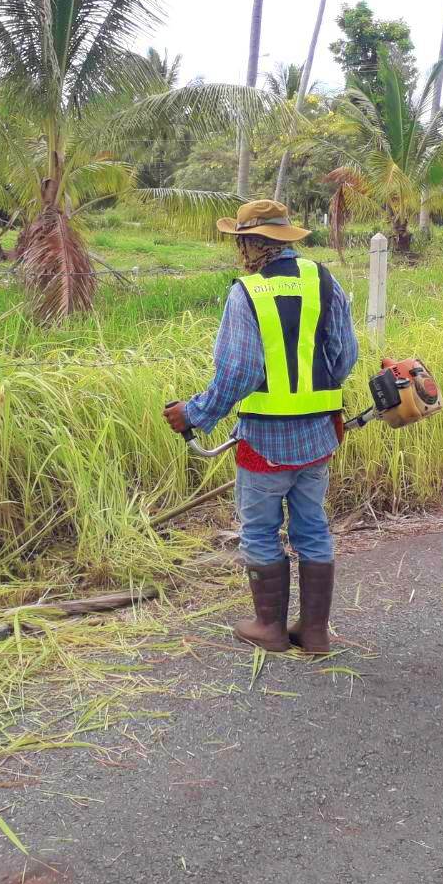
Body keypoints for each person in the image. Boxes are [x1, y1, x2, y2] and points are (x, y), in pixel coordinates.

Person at [164, 199, 358, 654]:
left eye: (241, 242)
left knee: (260, 531)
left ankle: (269, 627)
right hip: (318, 436)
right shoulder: (323, 280)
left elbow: (239, 371)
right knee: (312, 528)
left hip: (264, 441)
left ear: (252, 243)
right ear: (285, 240)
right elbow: (345, 355)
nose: (240, 251)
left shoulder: (246, 292)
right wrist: (314, 393)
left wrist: (194, 415)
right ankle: (314, 633)